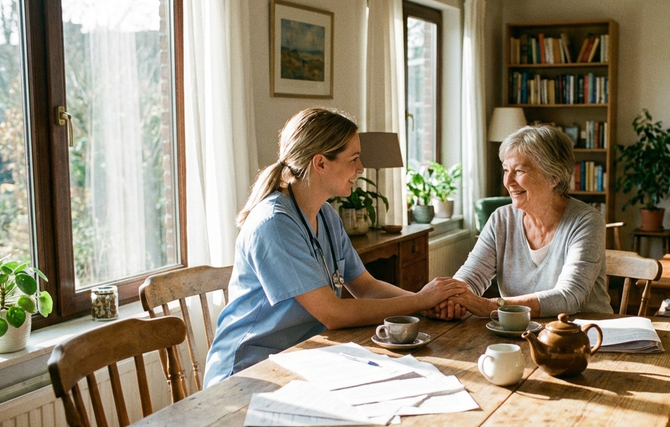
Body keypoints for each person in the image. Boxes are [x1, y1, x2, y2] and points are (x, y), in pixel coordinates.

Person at [205, 108, 466, 387]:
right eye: (353, 159)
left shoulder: (326, 215)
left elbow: (365, 286)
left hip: (304, 359)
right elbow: (333, 314)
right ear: (320, 163)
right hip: (248, 372)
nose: (361, 168)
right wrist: (420, 301)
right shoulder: (273, 225)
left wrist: (425, 306)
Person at [430, 124, 612, 319]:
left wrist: (488, 306)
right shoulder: (501, 220)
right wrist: (453, 298)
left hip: (585, 337)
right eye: (506, 170)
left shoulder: (586, 222)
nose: (508, 182)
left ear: (554, 177)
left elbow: (568, 297)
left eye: (519, 171)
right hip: (519, 332)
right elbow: (472, 276)